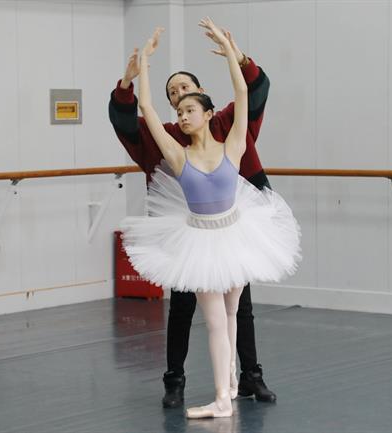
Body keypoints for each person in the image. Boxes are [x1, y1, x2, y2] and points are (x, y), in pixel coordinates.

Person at [120, 18, 300, 418]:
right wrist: (142, 66)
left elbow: (246, 90)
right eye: (177, 105)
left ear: (206, 108)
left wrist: (231, 53)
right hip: (199, 239)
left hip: (236, 233)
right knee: (211, 318)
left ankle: (234, 384)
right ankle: (213, 392)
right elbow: (144, 110)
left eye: (189, 104)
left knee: (234, 313)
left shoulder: (231, 140)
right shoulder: (175, 151)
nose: (182, 111)